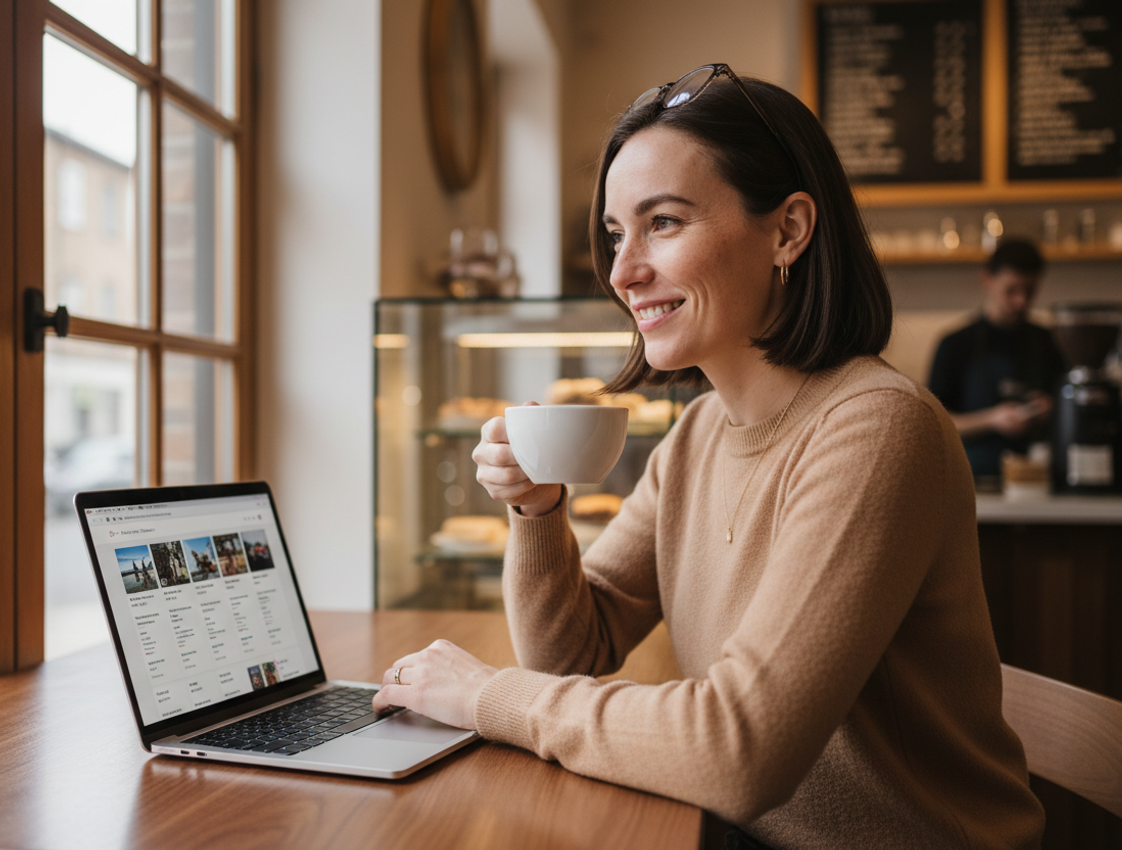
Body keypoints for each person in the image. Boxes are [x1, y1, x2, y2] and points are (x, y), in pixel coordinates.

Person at [372, 65, 1044, 848]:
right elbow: (572, 652)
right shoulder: (697, 436)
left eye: (663, 222)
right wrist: (537, 509)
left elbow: (739, 749)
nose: (623, 273)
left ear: (788, 230)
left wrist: (489, 695)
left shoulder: (877, 430)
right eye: (618, 234)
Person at [927, 239, 1064, 483]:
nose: (1021, 301)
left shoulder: (1049, 341)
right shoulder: (955, 345)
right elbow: (935, 424)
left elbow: (1066, 408)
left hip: (1039, 480)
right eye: (1011, 290)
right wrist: (992, 419)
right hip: (973, 482)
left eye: (1029, 291)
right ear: (987, 280)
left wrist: (1050, 407)